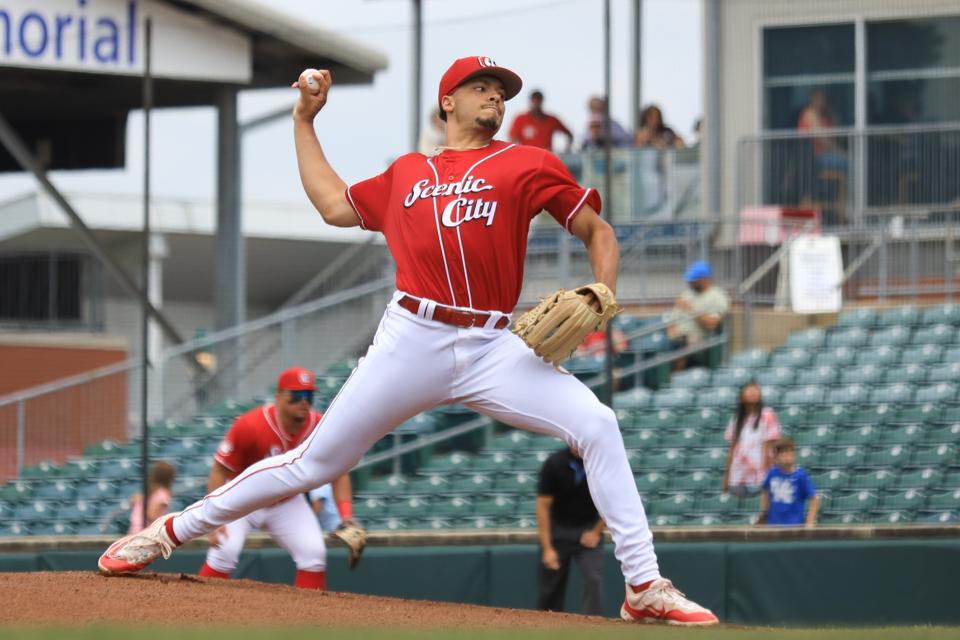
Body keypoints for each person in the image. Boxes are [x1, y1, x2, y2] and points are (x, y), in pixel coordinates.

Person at [98, 55, 718, 627]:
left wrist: (600, 292)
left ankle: (643, 585)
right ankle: (171, 530)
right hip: (411, 336)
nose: (495, 99)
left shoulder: (527, 164)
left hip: (492, 346)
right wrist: (304, 123)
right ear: (447, 100)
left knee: (599, 423)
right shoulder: (406, 173)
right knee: (315, 463)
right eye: (482, 88)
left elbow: (596, 230)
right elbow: (335, 207)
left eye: (501, 92)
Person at [196, 367, 354, 590]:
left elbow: (340, 473)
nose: (303, 402)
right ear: (278, 396)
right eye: (296, 396)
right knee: (224, 550)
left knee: (314, 553)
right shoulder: (251, 425)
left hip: (286, 501)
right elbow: (219, 470)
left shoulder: (320, 428)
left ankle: (307, 619)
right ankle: (199, 609)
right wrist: (214, 518)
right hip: (243, 499)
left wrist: (346, 516)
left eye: (308, 396)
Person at [537, 447, 605, 615]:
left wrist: (596, 531)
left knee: (593, 580)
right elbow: (543, 506)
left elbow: (613, 501)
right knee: (550, 588)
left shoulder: (600, 462)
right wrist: (547, 548)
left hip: (588, 530)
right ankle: (546, 628)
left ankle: (593, 627)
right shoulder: (555, 463)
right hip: (559, 530)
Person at [665, 260, 729, 370]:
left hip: (700, 340)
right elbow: (672, 322)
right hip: (677, 338)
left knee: (680, 347)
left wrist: (691, 310)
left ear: (704, 279)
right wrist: (671, 333)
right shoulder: (686, 294)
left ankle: (675, 383)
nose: (690, 282)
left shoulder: (717, 296)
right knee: (658, 347)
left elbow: (711, 324)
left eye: (694, 280)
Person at [722, 383, 782, 498]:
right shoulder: (736, 419)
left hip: (760, 478)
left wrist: (766, 476)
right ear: (741, 396)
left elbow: (769, 447)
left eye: (755, 389)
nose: (752, 392)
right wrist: (726, 478)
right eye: (748, 390)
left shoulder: (768, 414)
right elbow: (732, 450)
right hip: (737, 478)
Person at [759, 437, 819, 528]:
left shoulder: (800, 476)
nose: (787, 455)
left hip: (794, 528)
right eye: (783, 452)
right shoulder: (772, 474)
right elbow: (766, 492)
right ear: (776, 457)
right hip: (773, 526)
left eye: (790, 451)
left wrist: (809, 522)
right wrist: (764, 514)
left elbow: (815, 498)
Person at [797, 89, 847, 171]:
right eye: (820, 99)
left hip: (828, 152)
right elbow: (823, 139)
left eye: (824, 99)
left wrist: (833, 115)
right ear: (813, 100)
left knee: (853, 159)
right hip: (816, 155)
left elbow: (836, 134)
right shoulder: (811, 114)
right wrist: (840, 151)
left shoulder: (824, 115)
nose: (823, 102)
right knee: (851, 161)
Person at [508, 90, 573, 152]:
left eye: (538, 101)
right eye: (534, 101)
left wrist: (567, 149)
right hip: (527, 157)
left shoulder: (552, 120)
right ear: (530, 101)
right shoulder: (520, 119)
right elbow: (512, 139)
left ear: (542, 101)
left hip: (546, 157)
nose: (536, 104)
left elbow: (569, 134)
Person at [127, 461, 176, 534]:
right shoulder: (163, 494)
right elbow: (151, 515)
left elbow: (133, 501)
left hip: (135, 531)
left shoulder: (149, 492)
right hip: (146, 534)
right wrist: (167, 522)